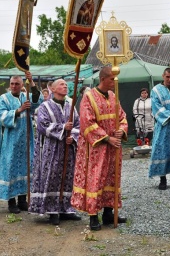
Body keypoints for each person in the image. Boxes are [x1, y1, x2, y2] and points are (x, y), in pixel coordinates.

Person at [71, 66, 128, 231]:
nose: (114, 82)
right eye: (112, 79)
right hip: (96, 148)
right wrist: (107, 138)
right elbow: (87, 123)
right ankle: (93, 216)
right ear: (103, 79)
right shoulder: (88, 98)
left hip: (113, 147)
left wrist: (121, 130)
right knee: (96, 179)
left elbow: (122, 117)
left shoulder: (113, 96)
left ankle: (109, 213)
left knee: (112, 178)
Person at [29, 79, 81, 225]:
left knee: (68, 177)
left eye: (66, 84)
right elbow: (42, 125)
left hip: (68, 149)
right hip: (51, 149)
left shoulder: (71, 106)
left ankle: (67, 208)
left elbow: (78, 124)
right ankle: (53, 211)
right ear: (52, 88)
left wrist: (73, 136)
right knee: (52, 177)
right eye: (61, 85)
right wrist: (64, 128)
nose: (65, 86)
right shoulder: (45, 106)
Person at [0, 72, 43, 213]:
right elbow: (1, 115)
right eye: (12, 84)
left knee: (26, 168)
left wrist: (31, 81)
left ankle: (23, 200)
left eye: (17, 84)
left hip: (26, 140)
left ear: (22, 85)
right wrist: (19, 110)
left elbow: (38, 101)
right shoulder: (3, 99)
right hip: (10, 142)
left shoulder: (25, 96)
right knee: (11, 169)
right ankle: (11, 202)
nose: (14, 86)